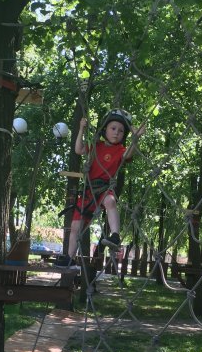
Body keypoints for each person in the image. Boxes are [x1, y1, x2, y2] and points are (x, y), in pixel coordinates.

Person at [56, 109, 145, 268]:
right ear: (105, 130)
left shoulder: (120, 150)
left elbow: (128, 155)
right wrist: (81, 129)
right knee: (75, 227)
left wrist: (136, 138)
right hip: (89, 190)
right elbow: (78, 150)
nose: (116, 133)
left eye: (121, 131)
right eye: (113, 128)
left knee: (110, 201)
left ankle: (115, 235)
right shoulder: (96, 146)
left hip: (104, 187)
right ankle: (70, 257)